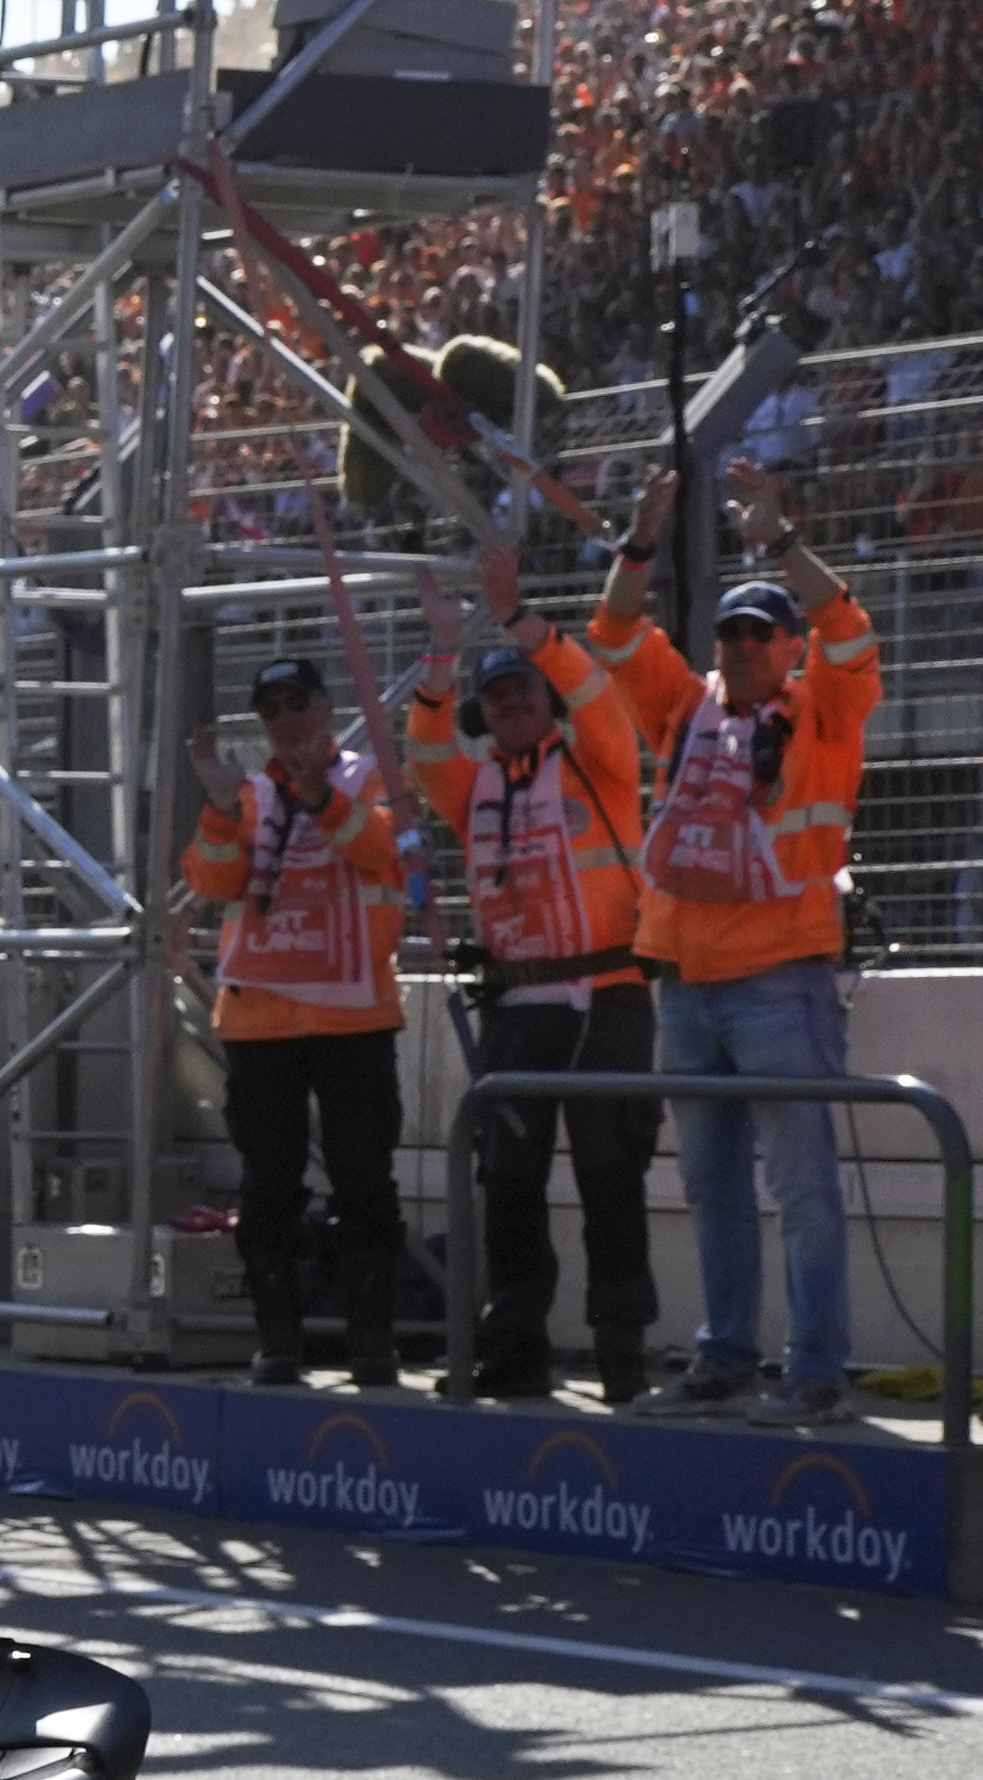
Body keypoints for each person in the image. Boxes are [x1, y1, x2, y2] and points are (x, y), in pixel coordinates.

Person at [593, 458, 883, 1425]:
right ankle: (721, 1361)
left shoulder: (826, 712)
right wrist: (639, 539)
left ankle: (817, 1376)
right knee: (711, 1185)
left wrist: (778, 542)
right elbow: (617, 632)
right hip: (683, 982)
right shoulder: (684, 708)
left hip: (780, 982)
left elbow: (849, 628)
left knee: (802, 1187)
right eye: (731, 633)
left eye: (762, 634)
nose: (745, 646)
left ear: (790, 646)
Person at [407, 544, 659, 1403]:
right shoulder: (468, 784)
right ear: (484, 710)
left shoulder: (600, 754)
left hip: (607, 994)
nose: (514, 701)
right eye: (498, 693)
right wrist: (443, 652)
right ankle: (513, 1345)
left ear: (545, 696)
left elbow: (589, 684)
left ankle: (621, 1347)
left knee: (608, 1174)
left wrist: (516, 615)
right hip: (517, 1002)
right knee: (507, 1184)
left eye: (525, 688)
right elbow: (422, 739)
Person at [184, 657, 409, 1388]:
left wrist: (320, 798)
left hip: (354, 1017)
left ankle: (370, 1337)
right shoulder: (245, 793)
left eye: (298, 702)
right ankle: (277, 1338)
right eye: (271, 708)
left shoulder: (370, 776)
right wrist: (219, 809)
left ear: (326, 705)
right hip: (262, 1022)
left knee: (364, 1180)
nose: (286, 719)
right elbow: (211, 880)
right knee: (268, 1187)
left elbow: (384, 852)